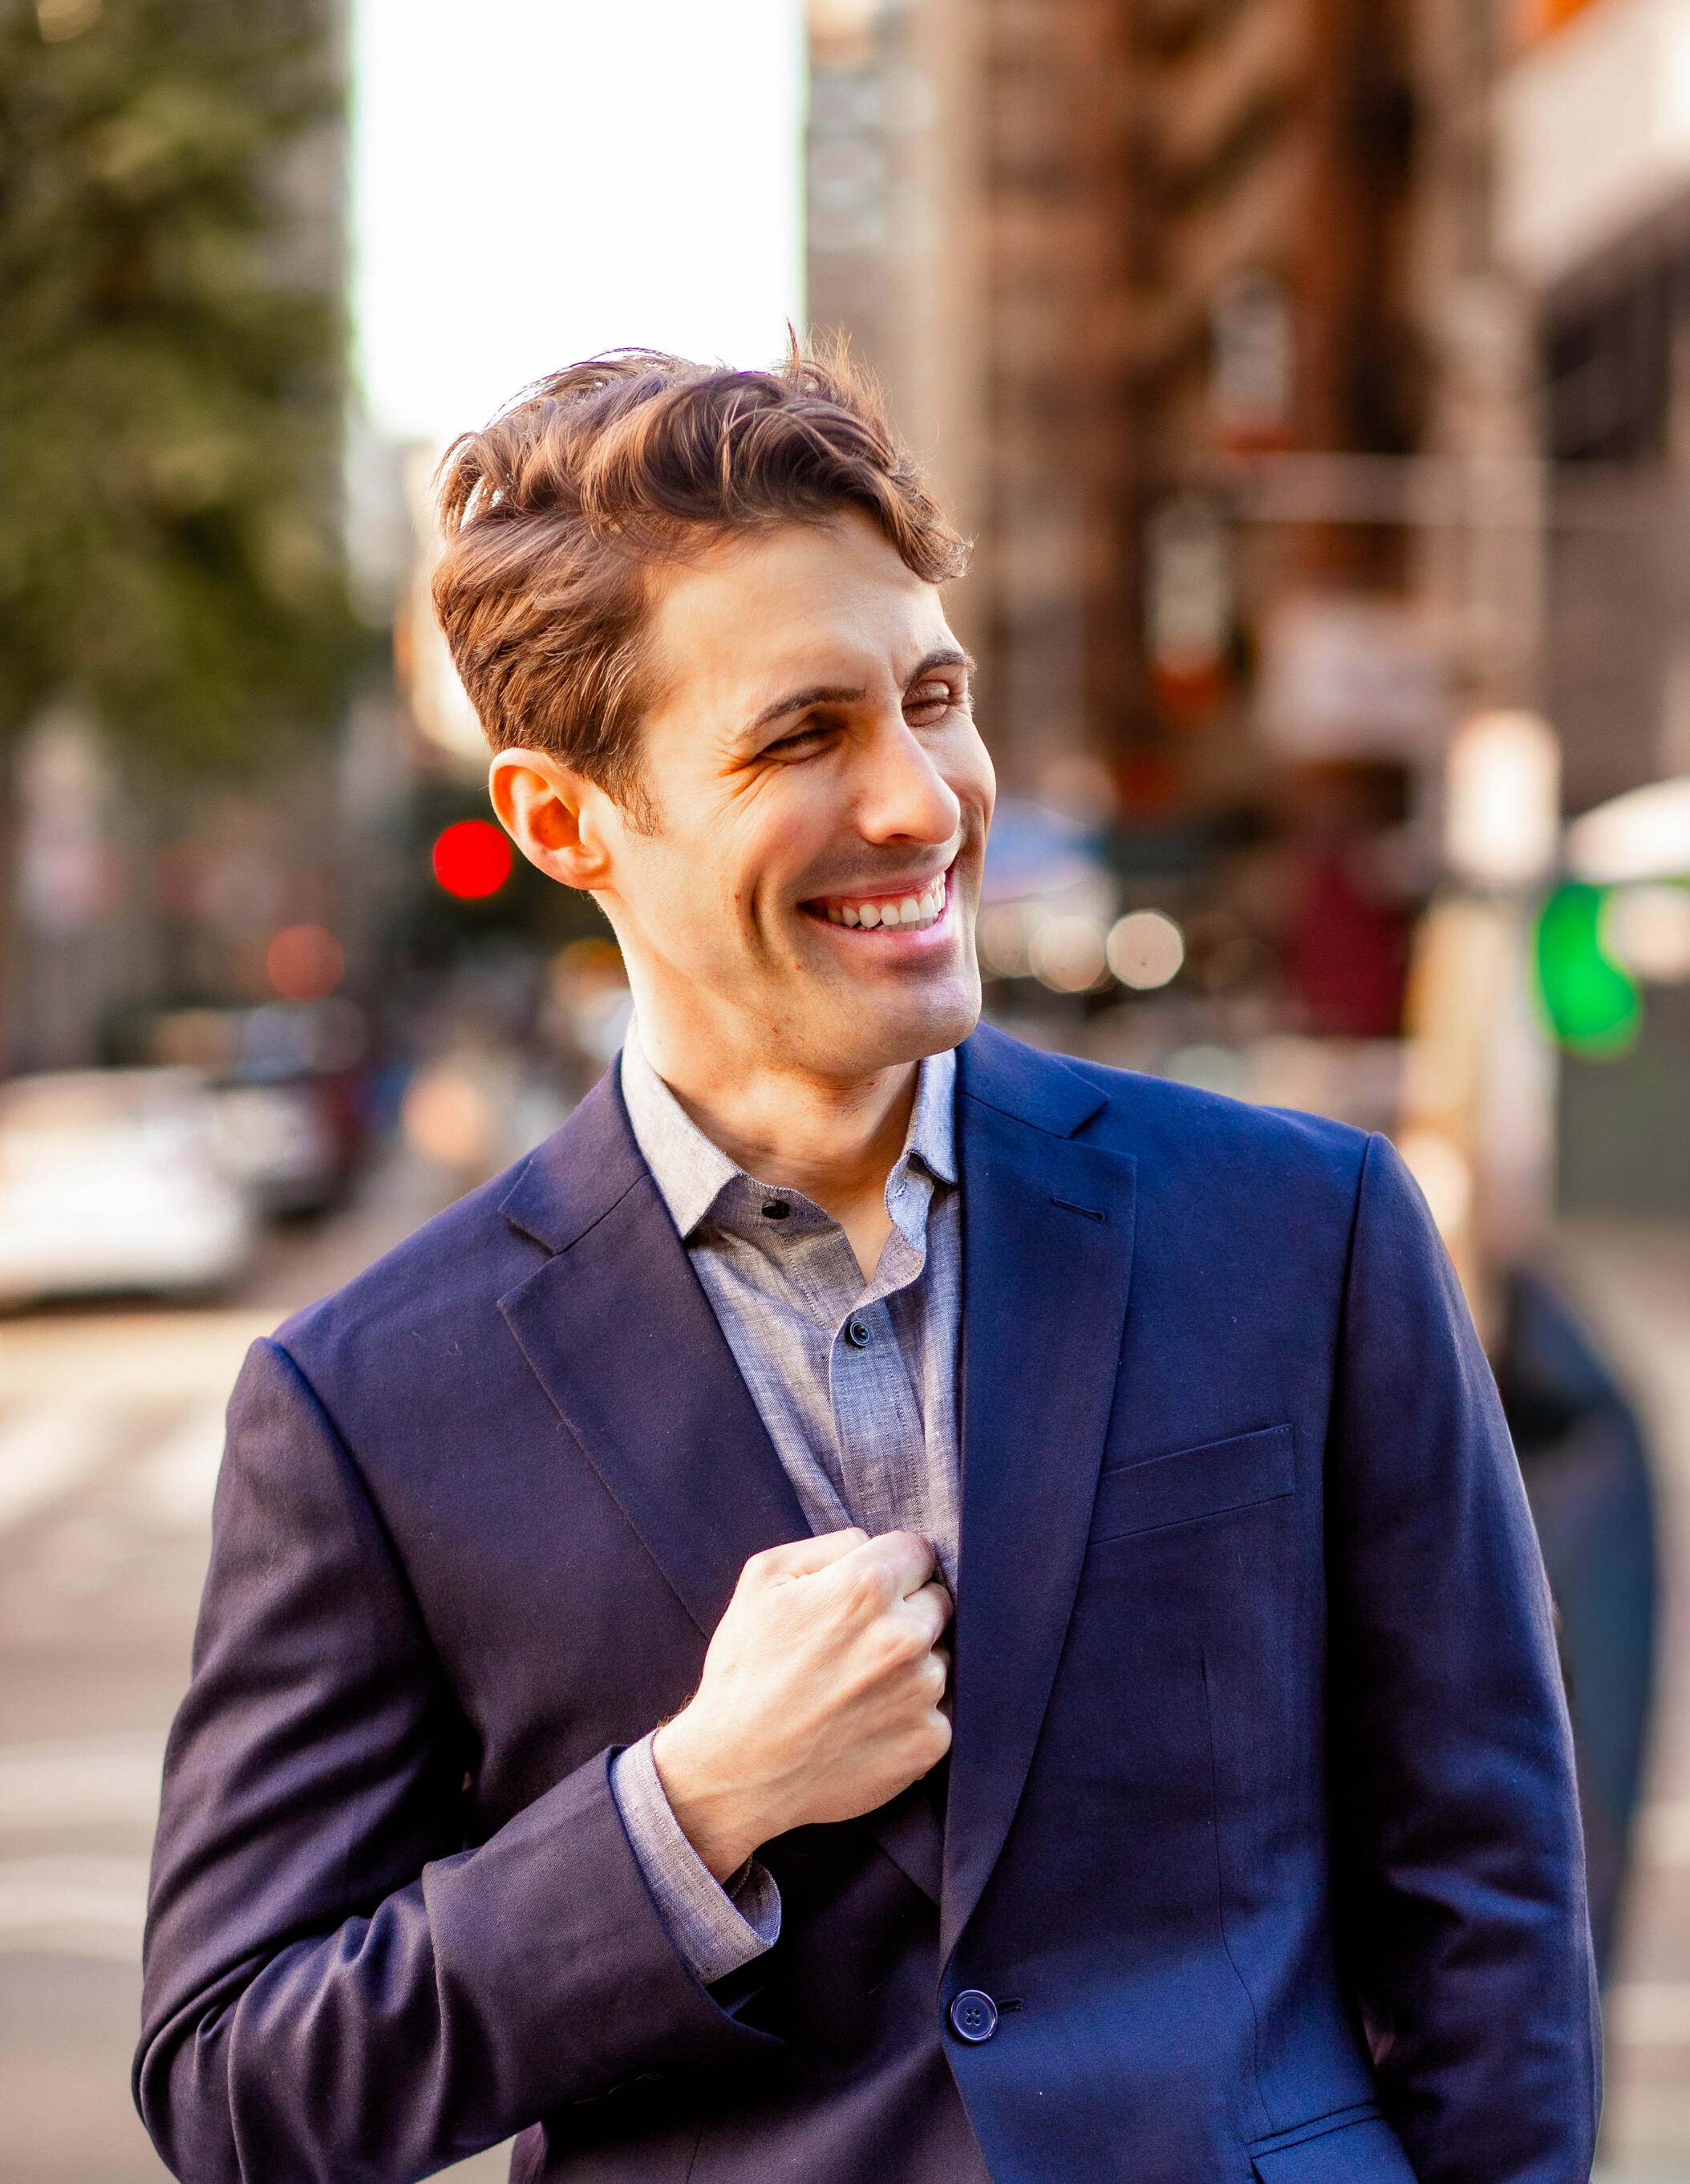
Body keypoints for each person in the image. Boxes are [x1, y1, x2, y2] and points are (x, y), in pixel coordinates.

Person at [136, 350, 1598, 2184]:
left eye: (930, 699)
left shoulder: (1304, 1230)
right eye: (799, 736)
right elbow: (237, 2090)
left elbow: (1485, 1897)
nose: (920, 802)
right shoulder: (366, 1404)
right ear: (562, 820)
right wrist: (689, 1809)